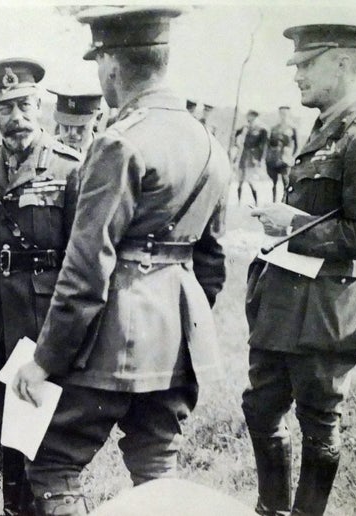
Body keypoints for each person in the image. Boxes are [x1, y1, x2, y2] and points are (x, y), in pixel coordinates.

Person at [12, 7, 232, 516]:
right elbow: (212, 264)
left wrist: (46, 360)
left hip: (110, 342)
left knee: (53, 464)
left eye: (98, 62)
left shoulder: (118, 141)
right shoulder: (209, 144)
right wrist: (175, 324)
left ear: (111, 63)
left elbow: (87, 270)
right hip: (177, 341)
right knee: (157, 466)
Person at [244, 24, 356, 516]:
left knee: (318, 420)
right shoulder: (325, 125)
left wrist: (294, 224)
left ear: (343, 63)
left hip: (327, 311)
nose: (297, 76)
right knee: (260, 407)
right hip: (288, 303)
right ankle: (272, 510)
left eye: (307, 65)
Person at [0, 58, 82, 515]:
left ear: (41, 107)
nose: (17, 116)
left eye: (25, 104)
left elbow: (80, 255)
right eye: (5, 107)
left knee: (34, 428)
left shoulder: (70, 169)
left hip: (41, 315)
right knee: (6, 420)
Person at [47, 88, 102, 153]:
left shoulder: (105, 153)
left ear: (98, 119)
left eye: (80, 126)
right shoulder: (47, 149)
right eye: (65, 125)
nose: (72, 133)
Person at [234, 109, 268, 206]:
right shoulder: (245, 128)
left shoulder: (261, 129)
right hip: (243, 156)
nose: (249, 118)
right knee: (240, 181)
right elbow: (235, 135)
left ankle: (256, 202)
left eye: (252, 116)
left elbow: (263, 146)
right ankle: (238, 202)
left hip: (252, 158)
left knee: (251, 181)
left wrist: (260, 159)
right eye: (248, 116)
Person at [265, 106, 298, 202]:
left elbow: (297, 145)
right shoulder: (274, 128)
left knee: (286, 181)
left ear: (288, 114)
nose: (283, 115)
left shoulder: (292, 128)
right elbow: (269, 144)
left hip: (286, 159)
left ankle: (285, 201)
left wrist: (293, 157)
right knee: (274, 182)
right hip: (274, 159)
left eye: (285, 113)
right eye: (281, 113)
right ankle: (273, 201)